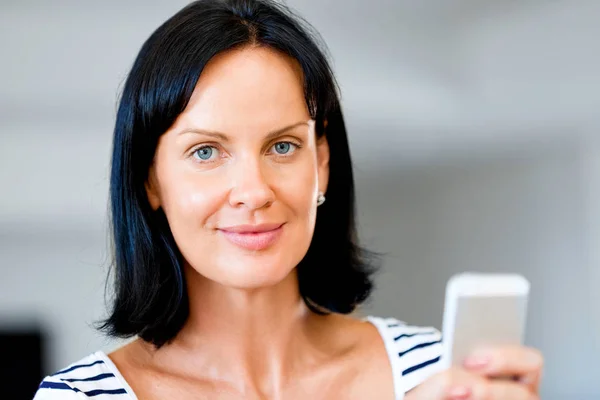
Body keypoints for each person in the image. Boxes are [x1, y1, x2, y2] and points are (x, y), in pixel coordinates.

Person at [33, 0, 543, 399]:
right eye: (206, 150)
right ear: (151, 181)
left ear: (321, 162)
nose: (254, 192)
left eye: (282, 146)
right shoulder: (82, 397)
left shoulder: (434, 371)